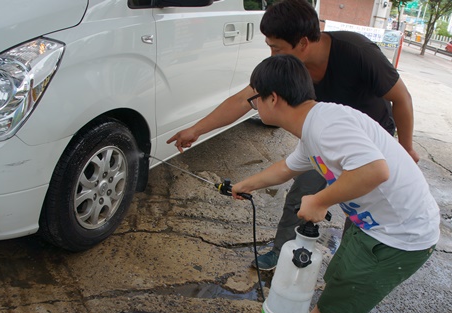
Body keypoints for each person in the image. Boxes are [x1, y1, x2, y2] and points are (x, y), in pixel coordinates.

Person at [231, 54, 439, 313]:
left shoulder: (326, 126)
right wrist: (246, 184)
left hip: (400, 239)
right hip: (371, 224)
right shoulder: (316, 125)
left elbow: (375, 170)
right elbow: (286, 168)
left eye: (254, 99)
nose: (254, 106)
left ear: (272, 98)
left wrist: (319, 199)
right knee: (342, 287)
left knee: (335, 305)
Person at [167, 0, 417, 270]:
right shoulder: (290, 68)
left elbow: (401, 99)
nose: (273, 55)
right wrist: (196, 130)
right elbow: (244, 99)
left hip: (370, 141)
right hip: (321, 136)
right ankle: (283, 251)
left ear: (303, 43)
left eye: (276, 48)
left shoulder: (358, 53)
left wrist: (406, 148)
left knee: (359, 206)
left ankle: (348, 264)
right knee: (300, 196)